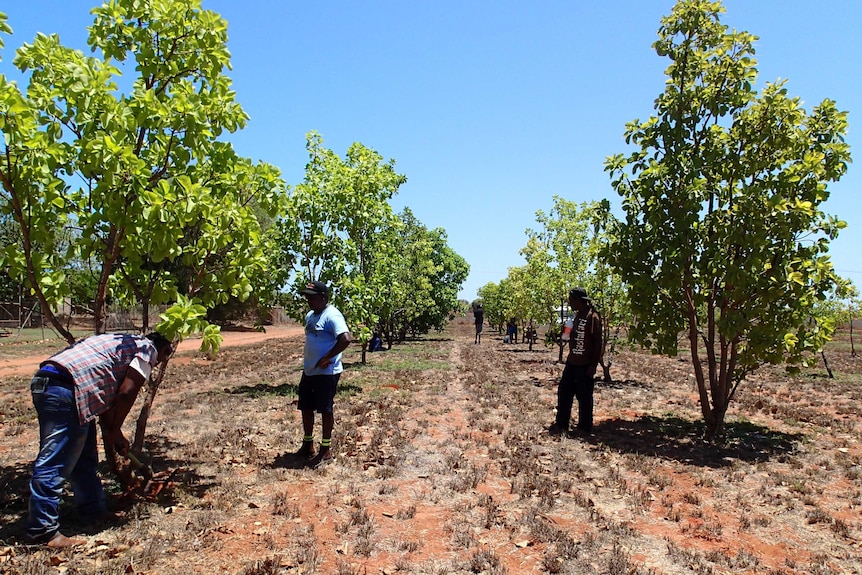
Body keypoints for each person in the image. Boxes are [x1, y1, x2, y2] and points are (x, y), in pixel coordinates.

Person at [26, 332, 174, 548]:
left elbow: (107, 397)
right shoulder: (147, 349)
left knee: (83, 458)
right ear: (162, 350)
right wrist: (114, 430)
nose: (157, 363)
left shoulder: (122, 341)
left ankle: (92, 511)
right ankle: (42, 532)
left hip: (62, 385)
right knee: (55, 462)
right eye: (162, 358)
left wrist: (116, 433)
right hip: (65, 388)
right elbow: (126, 393)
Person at [295, 280, 352, 467]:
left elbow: (345, 338)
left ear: (323, 297)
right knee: (306, 407)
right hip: (310, 370)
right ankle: (308, 444)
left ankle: (325, 449)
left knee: (325, 409)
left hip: (326, 373)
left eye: (312, 298)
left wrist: (327, 357)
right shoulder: (311, 315)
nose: (309, 301)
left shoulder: (332, 315)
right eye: (307, 297)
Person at [549, 287, 603, 437]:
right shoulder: (575, 316)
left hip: (585, 364)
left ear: (579, 300)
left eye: (571, 299)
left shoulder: (593, 317)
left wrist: (593, 365)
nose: (569, 302)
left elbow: (598, 342)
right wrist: (564, 333)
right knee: (564, 392)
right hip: (572, 362)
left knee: (584, 396)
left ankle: (584, 427)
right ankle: (562, 424)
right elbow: (566, 335)